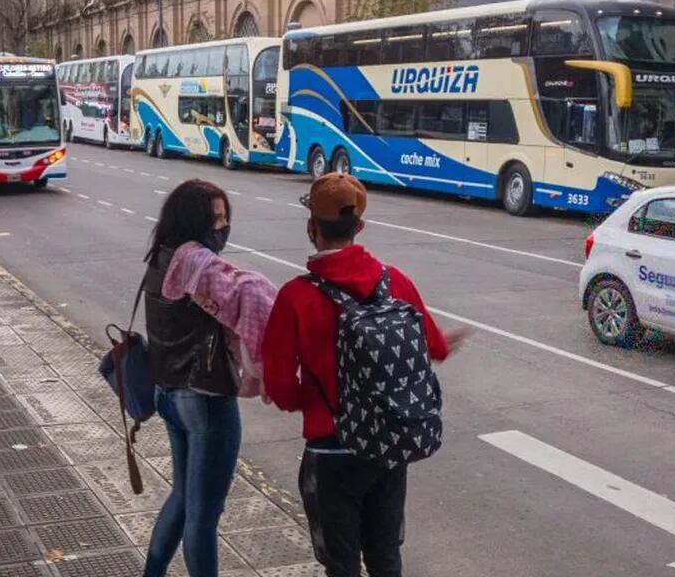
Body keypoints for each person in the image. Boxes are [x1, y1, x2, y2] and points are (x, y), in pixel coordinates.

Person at [262, 173, 469, 577]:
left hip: (331, 451)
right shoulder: (396, 282)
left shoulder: (296, 296)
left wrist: (319, 396)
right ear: (359, 227)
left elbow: (281, 389)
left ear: (311, 227)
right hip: (389, 447)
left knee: (341, 565)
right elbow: (435, 348)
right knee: (386, 555)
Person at [142, 179, 277, 577]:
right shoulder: (195, 262)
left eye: (225, 217)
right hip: (205, 397)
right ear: (192, 221)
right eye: (213, 218)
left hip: (168, 392)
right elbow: (247, 295)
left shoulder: (163, 255)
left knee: (184, 496)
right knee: (204, 513)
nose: (221, 226)